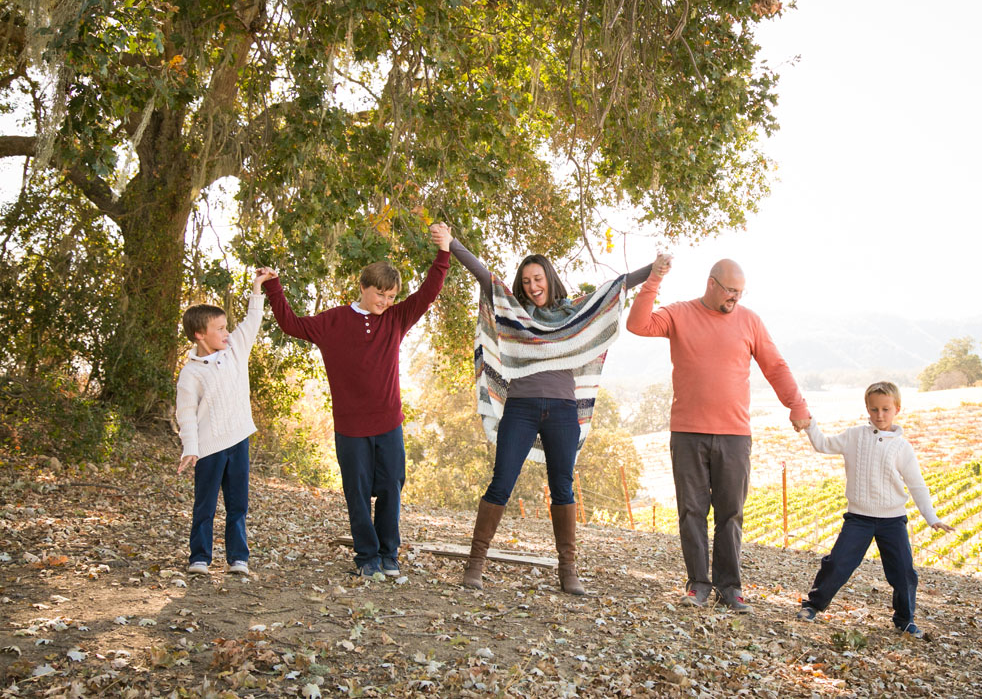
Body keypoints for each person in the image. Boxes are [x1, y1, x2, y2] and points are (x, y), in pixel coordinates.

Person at [449, 237, 660, 594]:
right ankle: (475, 564)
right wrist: (452, 244)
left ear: (549, 277)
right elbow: (486, 278)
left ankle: (568, 571)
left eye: (538, 279)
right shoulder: (515, 313)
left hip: (563, 411)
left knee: (563, 488)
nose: (533, 287)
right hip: (521, 408)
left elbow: (616, 288)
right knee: (501, 482)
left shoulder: (571, 313)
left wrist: (653, 271)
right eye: (527, 281)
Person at [260, 223, 453, 578]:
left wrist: (444, 252)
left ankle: (388, 555)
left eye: (392, 296)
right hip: (350, 427)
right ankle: (367, 558)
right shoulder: (332, 321)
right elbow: (290, 324)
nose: (386, 302)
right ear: (363, 287)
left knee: (392, 489)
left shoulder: (396, 320)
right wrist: (274, 287)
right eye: (380, 294)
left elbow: (428, 293)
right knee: (358, 493)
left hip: (389, 423)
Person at [626, 258, 811, 611]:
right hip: (687, 433)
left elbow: (775, 366)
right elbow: (638, 325)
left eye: (740, 293)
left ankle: (730, 587)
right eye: (730, 292)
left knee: (731, 514)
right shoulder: (679, 313)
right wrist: (654, 280)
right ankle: (698, 584)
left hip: (734, 435)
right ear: (711, 284)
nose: (735, 300)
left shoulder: (750, 320)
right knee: (691, 511)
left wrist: (797, 405)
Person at [796, 381, 954, 637]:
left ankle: (905, 620)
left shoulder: (902, 448)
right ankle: (813, 605)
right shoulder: (854, 436)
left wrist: (931, 517)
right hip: (858, 519)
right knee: (836, 564)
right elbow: (822, 445)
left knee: (904, 572)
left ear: (897, 409)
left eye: (885, 409)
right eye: (874, 409)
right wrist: (809, 423)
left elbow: (917, 485)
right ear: (867, 409)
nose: (879, 415)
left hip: (892, 521)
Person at [176, 268, 276, 577]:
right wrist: (190, 449)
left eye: (226, 327)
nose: (226, 333)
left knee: (238, 505)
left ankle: (238, 559)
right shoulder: (190, 373)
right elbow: (186, 415)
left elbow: (252, 320)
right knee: (204, 506)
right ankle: (200, 558)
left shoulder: (235, 350)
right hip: (209, 448)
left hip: (238, 440)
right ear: (199, 335)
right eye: (219, 329)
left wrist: (258, 287)